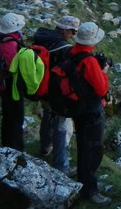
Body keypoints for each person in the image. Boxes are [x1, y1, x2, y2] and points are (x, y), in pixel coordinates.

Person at [71, 22, 111, 206]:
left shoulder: (72, 53)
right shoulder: (89, 61)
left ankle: (81, 177)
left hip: (77, 107)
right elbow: (102, 89)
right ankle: (89, 189)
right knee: (93, 148)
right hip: (91, 110)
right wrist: (103, 71)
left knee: (82, 144)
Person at [34, 15, 79, 174]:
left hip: (41, 89)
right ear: (64, 30)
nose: (74, 35)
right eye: (73, 31)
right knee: (63, 127)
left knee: (47, 115)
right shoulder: (64, 48)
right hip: (57, 93)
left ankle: (45, 147)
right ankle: (62, 166)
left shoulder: (41, 37)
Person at [0, 12, 26, 150]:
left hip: (4, 85)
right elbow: (12, 68)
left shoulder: (3, 40)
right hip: (11, 86)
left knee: (8, 116)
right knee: (15, 117)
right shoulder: (10, 44)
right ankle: (15, 149)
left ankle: (7, 145)